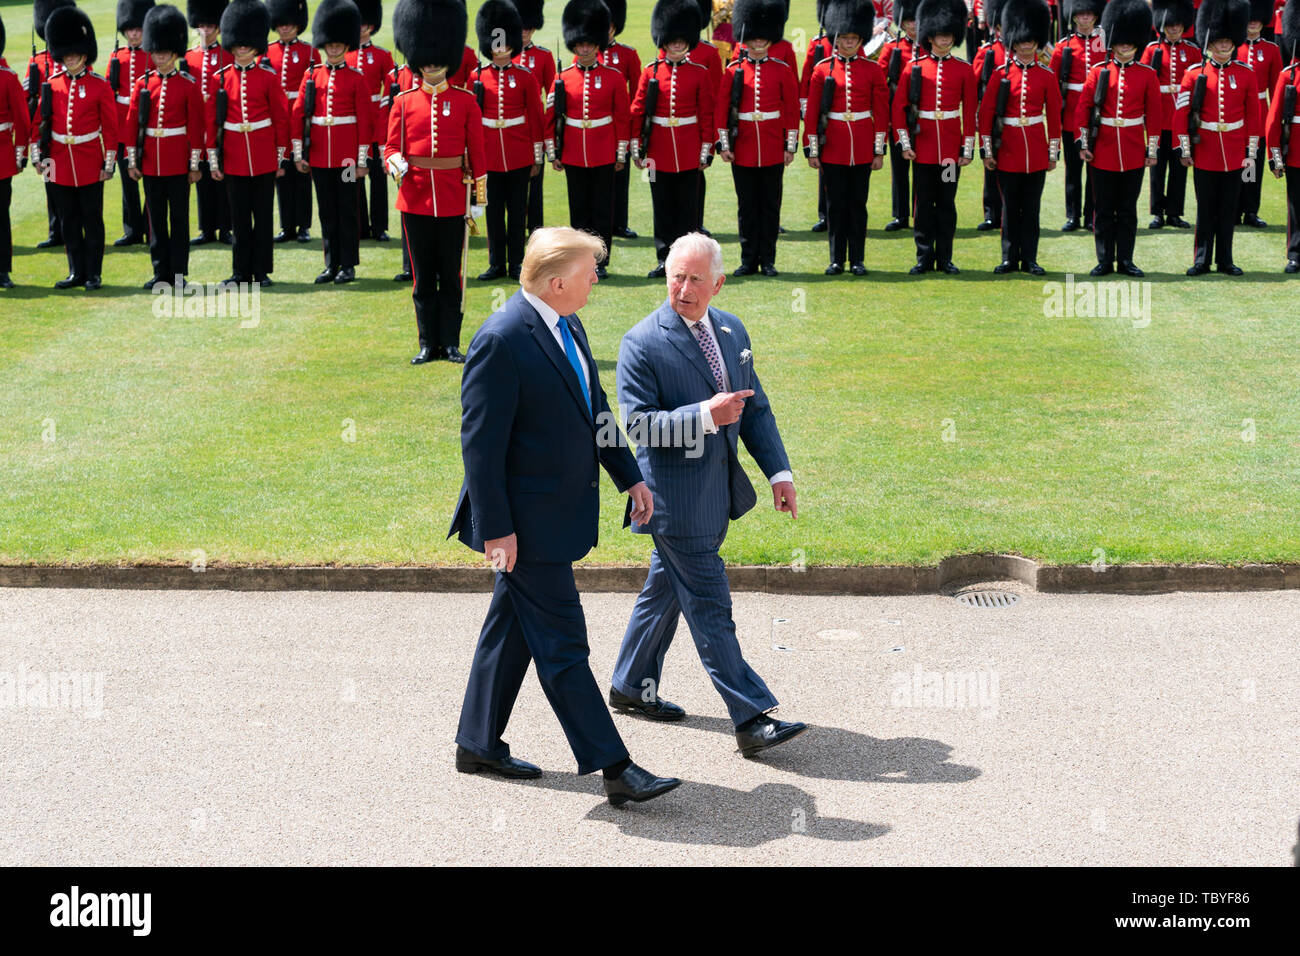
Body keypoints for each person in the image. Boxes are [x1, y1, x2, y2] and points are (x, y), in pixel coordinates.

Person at [449, 226, 679, 806]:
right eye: (589, 271)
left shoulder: (566, 323)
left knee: (511, 630)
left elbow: (594, 409)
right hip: (524, 528)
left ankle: (477, 742)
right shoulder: (501, 340)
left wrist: (629, 474)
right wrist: (498, 531)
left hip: (551, 517)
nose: (596, 278)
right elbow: (480, 447)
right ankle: (615, 767)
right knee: (564, 645)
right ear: (556, 282)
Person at [612, 232, 804, 758]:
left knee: (666, 590)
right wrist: (704, 416)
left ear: (718, 283)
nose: (685, 287)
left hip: (716, 494)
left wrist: (778, 473)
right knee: (710, 604)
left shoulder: (730, 329)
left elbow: (755, 408)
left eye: (697, 278)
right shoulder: (641, 341)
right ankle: (751, 716)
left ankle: (631, 684)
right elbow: (639, 425)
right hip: (673, 503)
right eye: (677, 275)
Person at [384, 0, 486, 364]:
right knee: (423, 278)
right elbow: (391, 147)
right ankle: (428, 343)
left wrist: (477, 200)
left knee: (451, 275)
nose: (431, 64)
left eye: (437, 58)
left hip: (453, 197)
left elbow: (478, 155)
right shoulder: (403, 102)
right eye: (425, 59)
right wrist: (396, 164)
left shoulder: (465, 102)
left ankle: (452, 342)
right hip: (415, 199)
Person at [34, 6, 118, 291]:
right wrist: (39, 159)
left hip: (89, 159)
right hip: (58, 161)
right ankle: (75, 272)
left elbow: (110, 128)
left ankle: (93, 273)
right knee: (68, 220)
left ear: (84, 54)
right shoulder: (52, 85)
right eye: (66, 54)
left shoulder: (99, 86)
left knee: (91, 219)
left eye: (75, 54)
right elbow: (40, 124)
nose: (70, 59)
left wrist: (109, 163)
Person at [804, 0, 889, 276]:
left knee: (858, 206)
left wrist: (878, 151)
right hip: (834, 147)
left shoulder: (873, 70)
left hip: (862, 147)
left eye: (853, 38)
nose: (849, 42)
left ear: (860, 38)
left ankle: (858, 260)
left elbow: (881, 114)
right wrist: (813, 149)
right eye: (844, 38)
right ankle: (836, 259)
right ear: (835, 39)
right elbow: (813, 114)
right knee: (836, 206)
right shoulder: (822, 69)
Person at [632, 0, 716, 277]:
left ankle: (689, 262)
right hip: (657, 154)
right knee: (662, 207)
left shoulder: (699, 73)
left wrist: (707, 149)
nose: (677, 46)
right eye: (672, 42)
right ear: (664, 41)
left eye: (682, 42)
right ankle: (664, 258)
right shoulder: (650, 72)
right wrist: (637, 148)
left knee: (688, 211)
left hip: (689, 150)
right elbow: (638, 111)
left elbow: (706, 114)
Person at [1077, 0, 1160, 277]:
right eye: (1120, 42)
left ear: (1136, 43)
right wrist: (1085, 144)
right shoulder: (1098, 72)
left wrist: (1152, 150)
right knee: (1103, 210)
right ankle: (1104, 260)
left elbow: (1154, 117)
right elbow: (1083, 111)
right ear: (1112, 42)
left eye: (1129, 43)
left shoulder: (1147, 75)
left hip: (1134, 149)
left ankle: (1125, 260)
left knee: (1127, 210)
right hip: (1103, 149)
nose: (1125, 47)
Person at [125, 3, 206, 290]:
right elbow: (132, 125)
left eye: (165, 53)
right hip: (151, 162)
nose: (160, 58)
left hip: (178, 163)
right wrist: (133, 161)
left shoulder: (188, 85)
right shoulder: (142, 85)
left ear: (174, 53)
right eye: (156, 53)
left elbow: (197, 128)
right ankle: (160, 273)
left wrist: (195, 165)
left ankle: (179, 275)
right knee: (156, 223)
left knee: (180, 222)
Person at [892, 0, 976, 274]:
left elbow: (970, 111)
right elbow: (898, 109)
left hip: (950, 153)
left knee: (947, 204)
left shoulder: (963, 69)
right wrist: (905, 144)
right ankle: (924, 257)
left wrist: (967, 149)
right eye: (940, 35)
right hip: (924, 150)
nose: (945, 39)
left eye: (949, 35)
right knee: (924, 204)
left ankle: (945, 258)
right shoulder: (914, 67)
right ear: (929, 36)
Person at [209, 0, 289, 287]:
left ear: (256, 45)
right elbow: (212, 124)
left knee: (263, 218)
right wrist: (214, 161)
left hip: (264, 156)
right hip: (233, 157)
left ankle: (261, 272)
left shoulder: (268, 77)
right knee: (239, 220)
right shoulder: (221, 79)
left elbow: (281, 120)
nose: (242, 47)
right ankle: (240, 272)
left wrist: (281, 159)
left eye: (247, 43)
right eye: (238, 43)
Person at [716, 0, 799, 277]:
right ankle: (748, 259)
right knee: (747, 207)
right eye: (753, 38)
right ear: (746, 39)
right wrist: (725, 146)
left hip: (773, 147)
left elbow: (790, 111)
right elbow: (722, 110)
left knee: (770, 206)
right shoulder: (733, 71)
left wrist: (790, 146)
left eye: (763, 38)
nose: (758, 43)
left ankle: (768, 260)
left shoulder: (781, 69)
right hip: (744, 148)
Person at [548, 0, 629, 279]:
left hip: (604, 149)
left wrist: (621, 154)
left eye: (588, 44)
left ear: (597, 44)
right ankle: (582, 260)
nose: (584, 49)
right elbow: (552, 117)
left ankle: (601, 261)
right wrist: (553, 152)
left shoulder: (613, 77)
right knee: (578, 210)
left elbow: (622, 118)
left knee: (602, 209)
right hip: (573, 151)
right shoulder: (563, 77)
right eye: (579, 45)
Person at [978, 0, 1060, 274]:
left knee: (1032, 209)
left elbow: (1055, 117)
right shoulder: (1001, 74)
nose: (1027, 46)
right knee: (1010, 208)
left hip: (1036, 149)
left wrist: (1052, 153)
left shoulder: (1046, 75)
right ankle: (1009, 258)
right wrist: (987, 151)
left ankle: (1030, 258)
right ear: (1013, 41)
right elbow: (985, 116)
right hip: (1008, 150)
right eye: (1022, 41)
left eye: (1031, 41)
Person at [1179, 0, 1261, 275]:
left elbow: (1254, 117)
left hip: (1235, 151)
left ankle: (1225, 259)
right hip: (1205, 149)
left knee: (1228, 210)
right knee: (1205, 209)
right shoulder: (1193, 75)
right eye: (1218, 42)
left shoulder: (1246, 74)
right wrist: (1185, 148)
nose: (1224, 47)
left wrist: (1251, 152)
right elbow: (1181, 116)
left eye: (1228, 42)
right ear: (1209, 43)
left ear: (1234, 42)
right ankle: (1201, 259)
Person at [294, 0, 371, 285]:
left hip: (348, 158)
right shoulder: (312, 76)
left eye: (339, 44)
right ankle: (331, 263)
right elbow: (298, 115)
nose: (335, 48)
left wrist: (362, 160)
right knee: (326, 211)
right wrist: (299, 153)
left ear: (346, 45)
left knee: (347, 210)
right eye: (331, 44)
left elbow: (365, 123)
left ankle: (348, 264)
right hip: (319, 157)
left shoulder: (356, 79)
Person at [472, 0, 544, 282]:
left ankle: (517, 263)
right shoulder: (476, 77)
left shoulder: (525, 77)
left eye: (504, 42)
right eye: (495, 43)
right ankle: (496, 263)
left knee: (517, 214)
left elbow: (536, 118)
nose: (500, 48)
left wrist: (537, 157)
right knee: (493, 215)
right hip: (489, 156)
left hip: (517, 155)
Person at [1141, 0, 1199, 230]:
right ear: (1162, 25)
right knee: (1157, 167)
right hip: (1158, 116)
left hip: (1181, 119)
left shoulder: (1192, 51)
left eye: (1177, 26)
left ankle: (1174, 212)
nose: (1174, 29)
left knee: (1179, 167)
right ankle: (1157, 212)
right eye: (1170, 25)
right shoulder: (1151, 50)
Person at [1049, 0, 1106, 231]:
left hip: (1096, 114)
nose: (1084, 19)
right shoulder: (1064, 46)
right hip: (1071, 114)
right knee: (1073, 168)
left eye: (1088, 15)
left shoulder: (1103, 44)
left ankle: (1091, 215)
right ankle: (1073, 216)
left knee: (1094, 168)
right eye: (1080, 15)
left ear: (1095, 17)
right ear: (1073, 17)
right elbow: (1053, 83)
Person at [25, 0, 76, 250]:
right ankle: (55, 230)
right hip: (46, 133)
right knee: (50, 182)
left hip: (66, 133)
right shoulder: (37, 60)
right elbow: (29, 100)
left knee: (68, 185)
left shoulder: (72, 58)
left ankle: (71, 229)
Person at [266, 0, 317, 244]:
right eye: (280, 24)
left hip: (301, 120)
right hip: (277, 121)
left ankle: (303, 226)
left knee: (302, 173)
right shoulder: (267, 51)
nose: (285, 29)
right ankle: (287, 226)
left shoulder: (310, 52)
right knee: (282, 174)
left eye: (289, 24)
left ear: (297, 25)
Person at [186, 0, 233, 246]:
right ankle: (206, 229)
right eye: (202, 26)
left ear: (219, 28)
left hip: (219, 124)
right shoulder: (188, 58)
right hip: (197, 126)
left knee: (221, 177)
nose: (206, 31)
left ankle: (225, 228)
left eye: (211, 26)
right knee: (202, 176)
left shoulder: (227, 55)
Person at [109, 0, 154, 247]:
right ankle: (132, 230)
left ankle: (150, 227)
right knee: (128, 182)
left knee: (150, 180)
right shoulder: (117, 56)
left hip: (146, 126)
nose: (134, 34)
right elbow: (108, 91)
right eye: (130, 30)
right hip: (122, 128)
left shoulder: (153, 54)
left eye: (138, 29)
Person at [347, 0, 394, 241]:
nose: (362, 28)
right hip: (352, 126)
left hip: (376, 124)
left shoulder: (382, 56)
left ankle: (380, 227)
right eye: (359, 24)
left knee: (377, 179)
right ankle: (358, 226)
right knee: (352, 178)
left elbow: (391, 91)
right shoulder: (345, 55)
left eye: (366, 24)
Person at [597, 0, 641, 240]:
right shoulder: (588, 54)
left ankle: (619, 223)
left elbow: (637, 93)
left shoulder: (627, 54)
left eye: (611, 26)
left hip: (619, 124)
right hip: (598, 127)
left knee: (620, 175)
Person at [1237, 0, 1282, 226]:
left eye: (1256, 18)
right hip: (1235, 115)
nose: (1253, 22)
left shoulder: (1271, 49)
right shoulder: (1232, 47)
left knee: (1252, 162)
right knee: (1236, 162)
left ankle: (1250, 210)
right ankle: (1233, 209)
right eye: (1249, 18)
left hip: (1259, 115)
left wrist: (1277, 119)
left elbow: (1275, 88)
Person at [512, 0, 555, 236]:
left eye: (529, 27)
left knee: (534, 183)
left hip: (534, 129)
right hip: (511, 131)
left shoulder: (543, 56)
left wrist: (547, 131)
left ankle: (535, 229)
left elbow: (551, 96)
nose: (525, 31)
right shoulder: (504, 56)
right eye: (521, 26)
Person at [878, 0, 918, 232]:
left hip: (924, 118)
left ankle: (921, 212)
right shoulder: (893, 48)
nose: (913, 25)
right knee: (899, 169)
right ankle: (900, 214)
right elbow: (881, 83)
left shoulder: (929, 48)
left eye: (916, 21)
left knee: (926, 171)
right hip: (899, 116)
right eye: (909, 21)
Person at [1266, 0, 1300, 271]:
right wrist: (1276, 158)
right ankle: (1295, 253)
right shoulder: (1289, 75)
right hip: (1297, 149)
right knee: (1296, 206)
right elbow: (1273, 122)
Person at [0, 11, 32, 289]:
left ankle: (2, 270)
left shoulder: (8, 78)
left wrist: (21, 153)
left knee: (0, 215)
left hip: (1, 157)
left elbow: (22, 121)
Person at [971, 0, 1006, 232]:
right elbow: (975, 81)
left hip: (1013, 118)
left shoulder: (1024, 52)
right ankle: (991, 213)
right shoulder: (988, 51)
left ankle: (1008, 212)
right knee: (990, 165)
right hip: (991, 114)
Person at [689, 0, 724, 231]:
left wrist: (711, 138)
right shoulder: (664, 50)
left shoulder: (709, 52)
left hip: (697, 127)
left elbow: (717, 95)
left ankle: (696, 224)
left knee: (695, 180)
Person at [801, 0, 833, 233]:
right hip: (822, 113)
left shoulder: (855, 45)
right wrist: (807, 109)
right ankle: (825, 213)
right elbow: (806, 79)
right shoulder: (817, 43)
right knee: (825, 166)